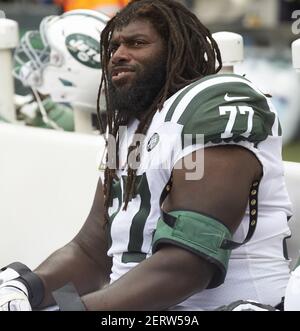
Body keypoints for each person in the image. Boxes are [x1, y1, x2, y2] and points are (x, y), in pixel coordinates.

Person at [0, 0, 293, 311]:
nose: (119, 55)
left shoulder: (212, 104)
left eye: (137, 43)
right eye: (114, 46)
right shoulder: (127, 128)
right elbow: (90, 253)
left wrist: (78, 310)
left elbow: (188, 264)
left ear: (178, 51)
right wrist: (28, 288)